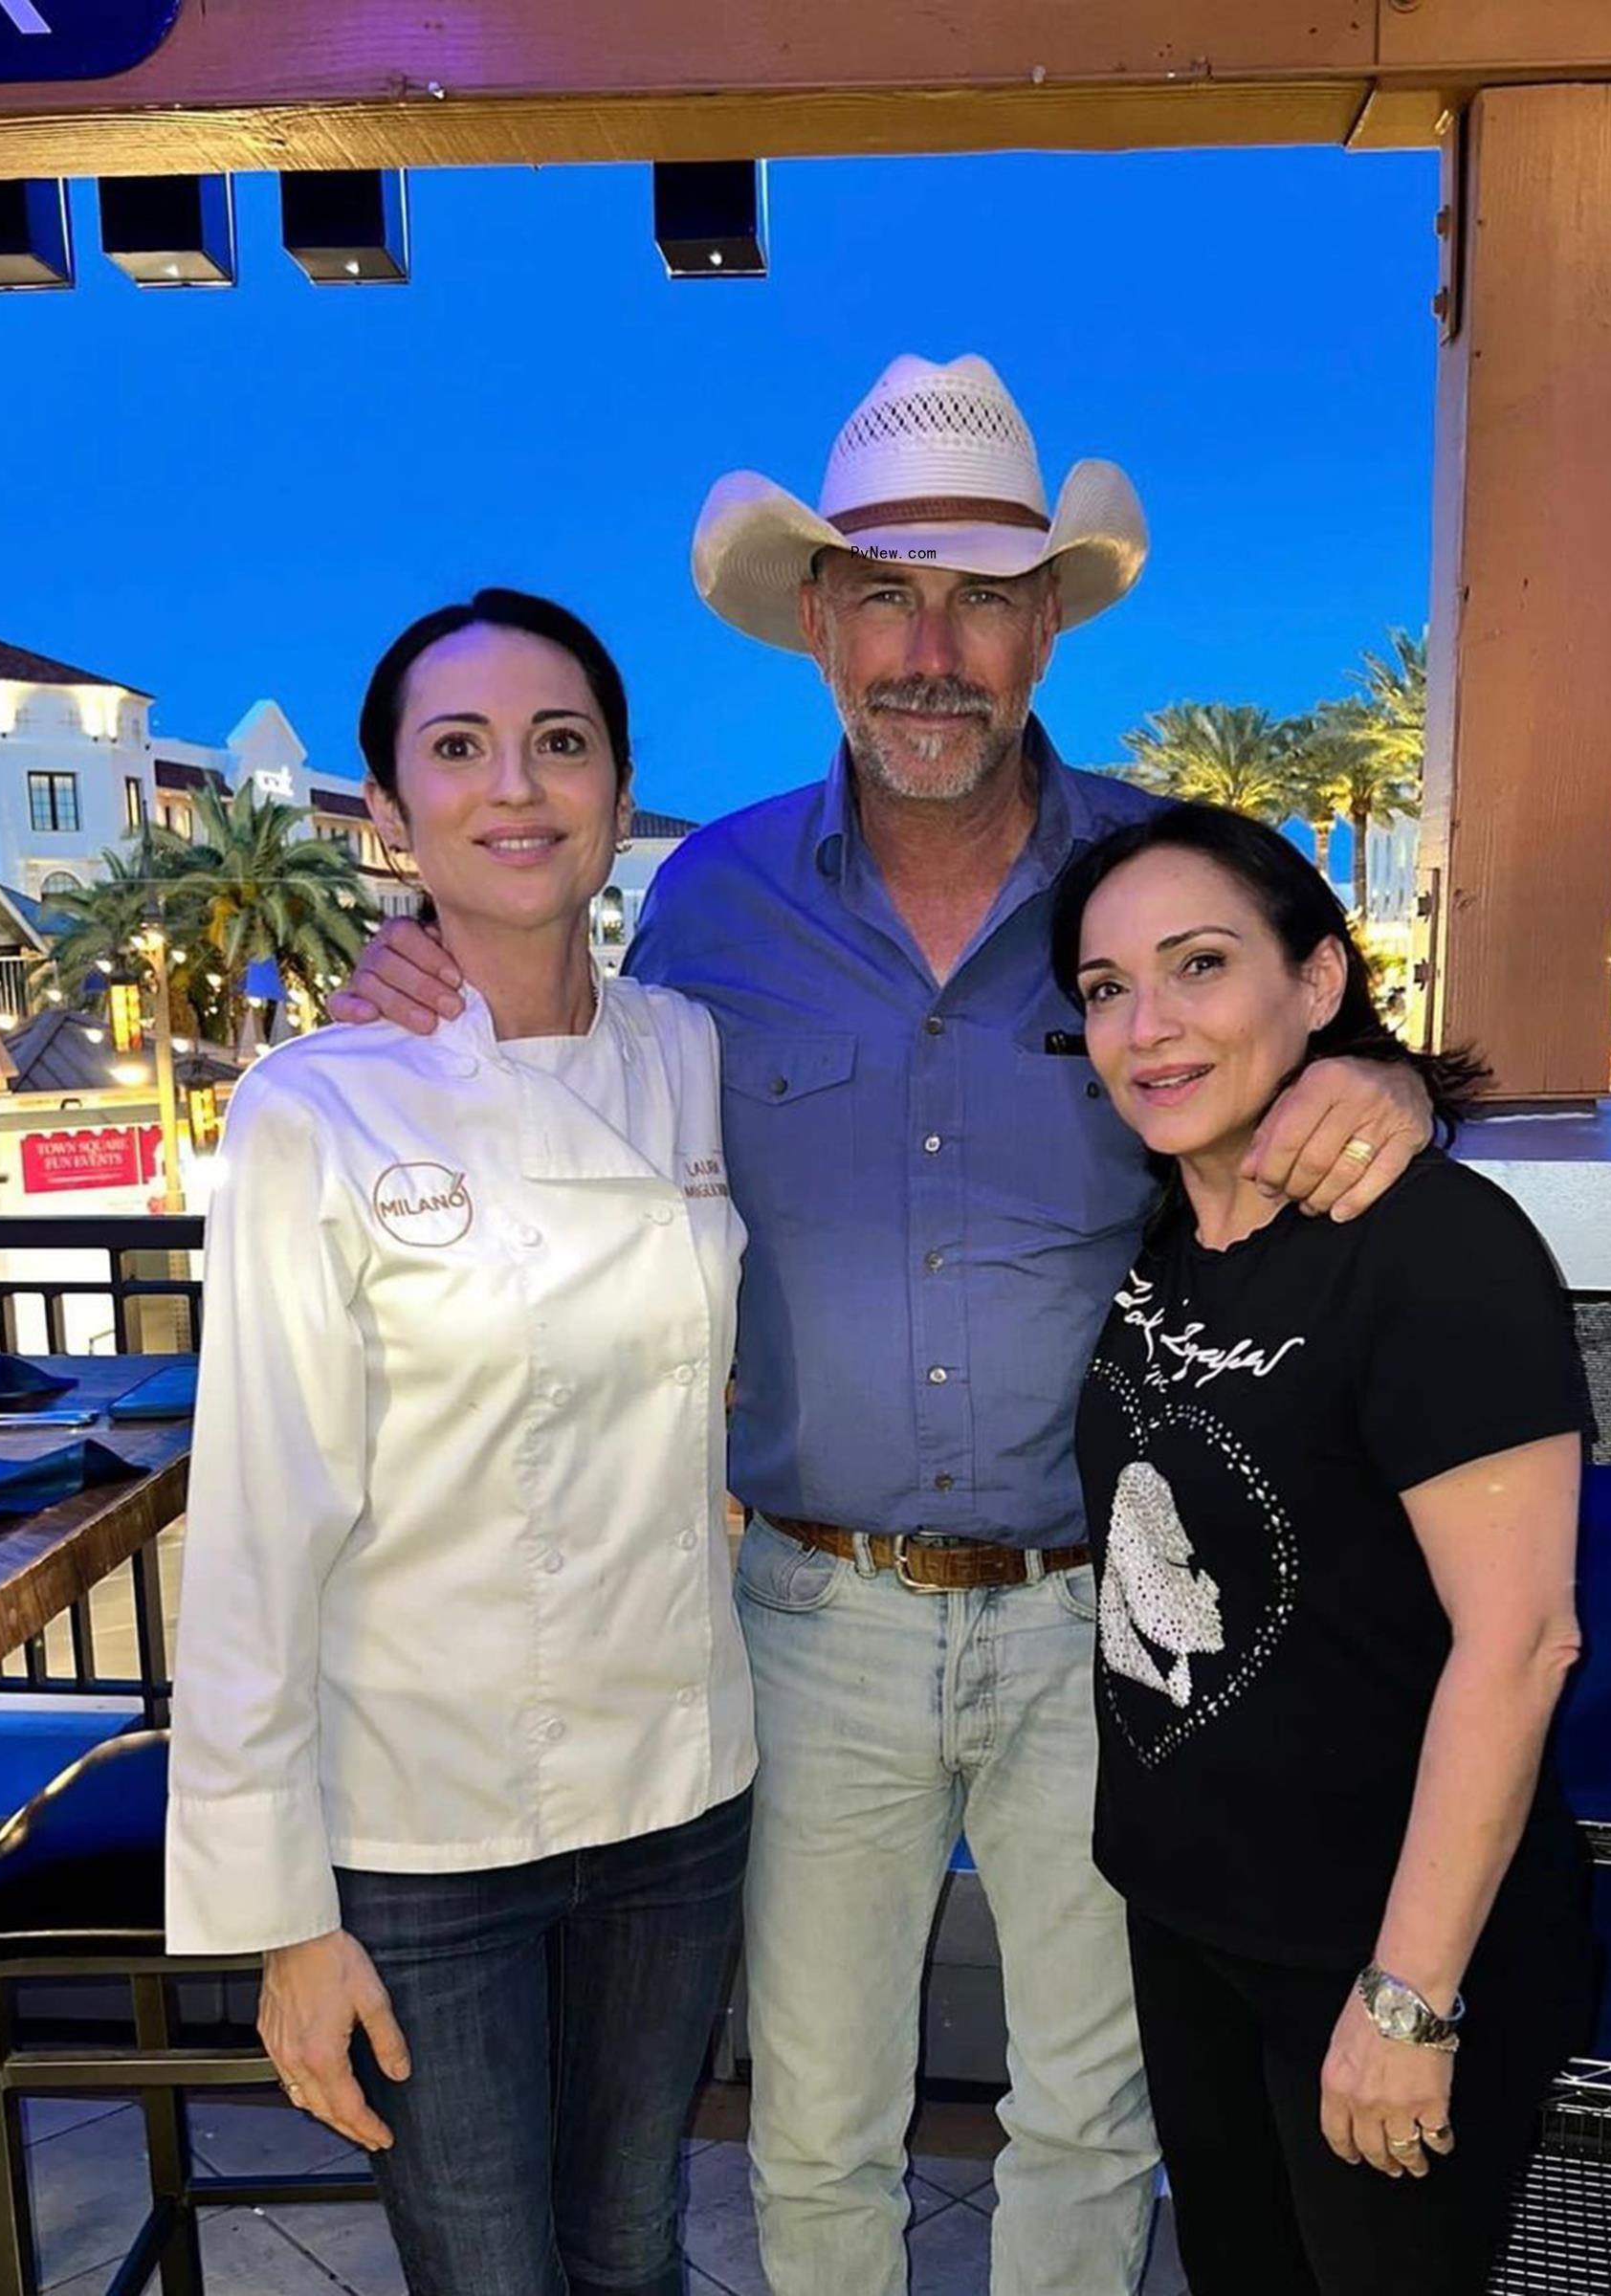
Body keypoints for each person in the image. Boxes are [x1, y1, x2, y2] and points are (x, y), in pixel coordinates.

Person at [333, 354, 1433, 2296]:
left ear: (1049, 623)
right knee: (818, 2127)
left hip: (1116, 1614)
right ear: (820, 623)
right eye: (887, 596)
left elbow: (1322, 1048)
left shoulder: (1159, 880)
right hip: (809, 1614)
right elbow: (561, 1105)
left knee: (1091, 2116)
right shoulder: (709, 904)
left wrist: (1400, 1091)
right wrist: (402, 968)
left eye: (986, 597)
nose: (934, 648)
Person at [166, 589, 757, 2296]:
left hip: (676, 1786)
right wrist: (286, 1918)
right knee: (487, 2270)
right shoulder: (313, 1111)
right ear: (385, 816)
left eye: (559, 744)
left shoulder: (693, 1056)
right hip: (419, 1826)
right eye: (460, 749)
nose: (518, 787)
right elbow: (261, 1529)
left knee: (635, 2243)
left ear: (618, 785)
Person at [1052, 803, 1597, 2296]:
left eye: (1201, 966)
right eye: (1107, 990)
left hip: (1378, 1949)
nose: (1148, 1027)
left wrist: (1409, 2000)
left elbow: (1522, 1640)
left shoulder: (1435, 1245)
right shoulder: (1172, 1227)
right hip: (1195, 1921)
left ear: (1318, 981)